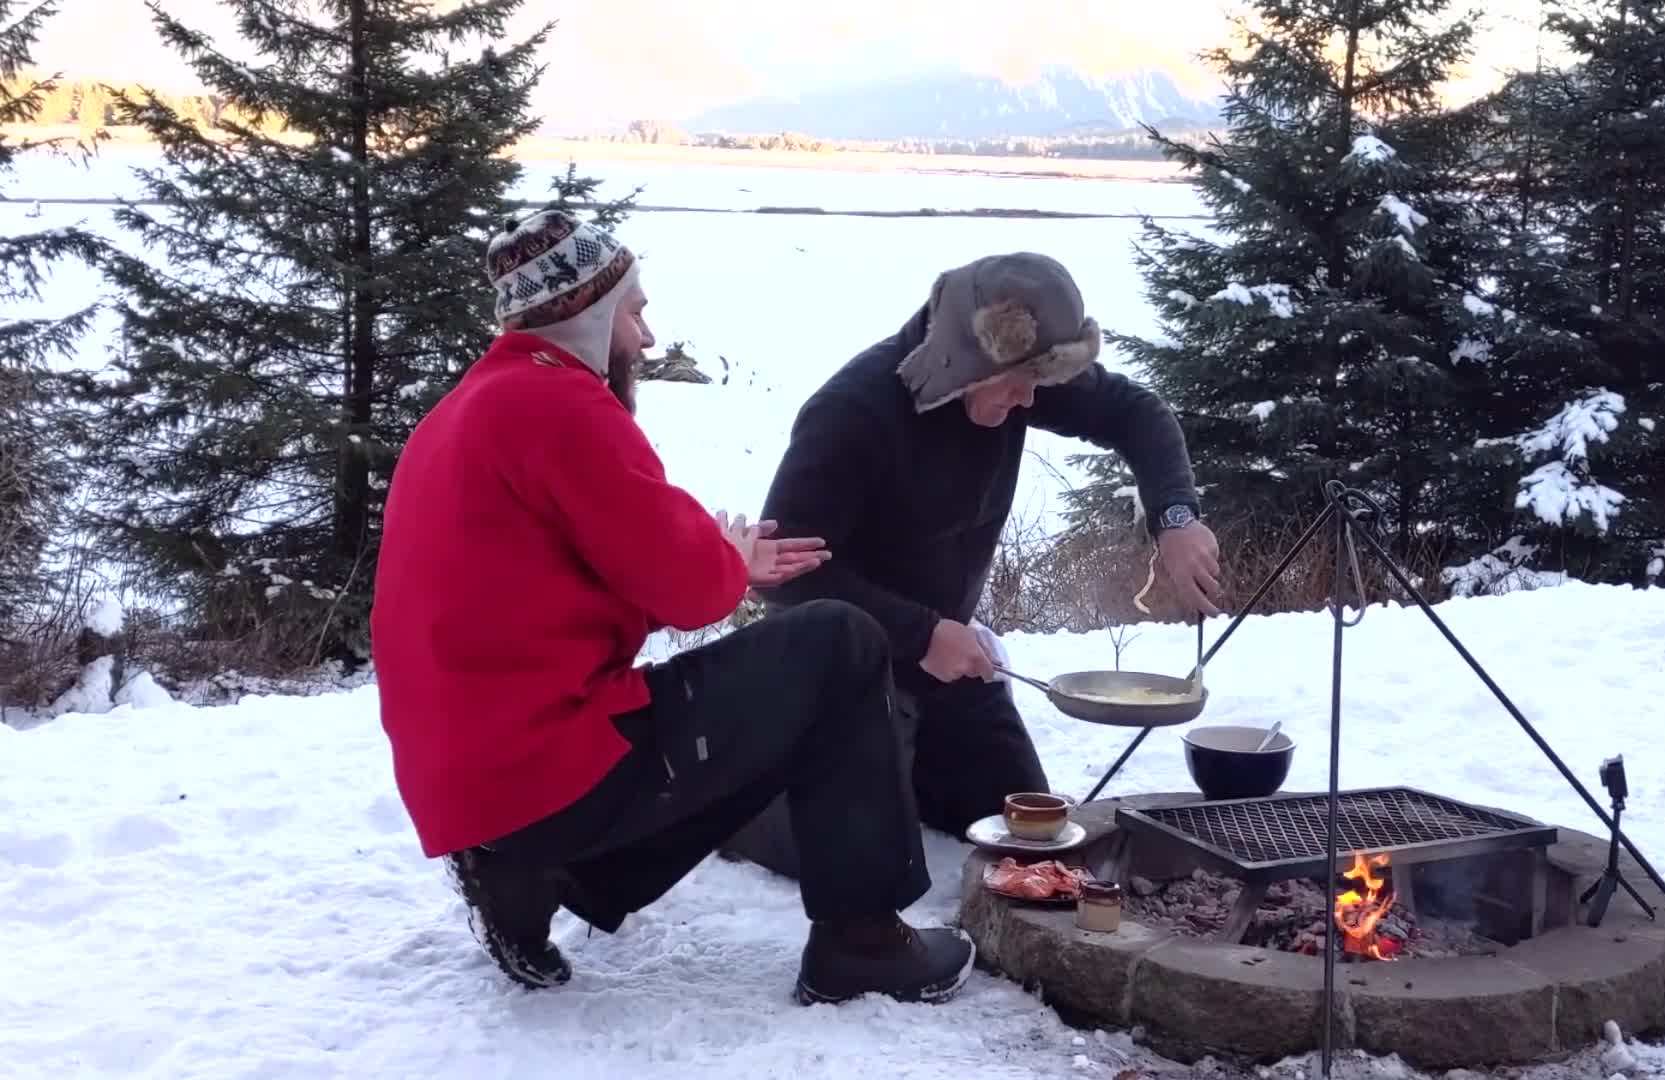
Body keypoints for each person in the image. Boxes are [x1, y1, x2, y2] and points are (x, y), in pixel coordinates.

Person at [370, 210, 974, 1005]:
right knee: (841, 644)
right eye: (634, 312)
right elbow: (689, 592)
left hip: (474, 787)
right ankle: (861, 941)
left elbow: (553, 591)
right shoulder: (562, 407)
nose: (647, 337)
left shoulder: (467, 411)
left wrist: (723, 564)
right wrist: (724, 563)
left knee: (758, 696)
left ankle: (532, 872)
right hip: (539, 769)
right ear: (588, 317)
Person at [725, 251, 1222, 877]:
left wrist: (1174, 517)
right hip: (843, 666)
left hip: (949, 663)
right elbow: (789, 576)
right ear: (963, 360)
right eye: (1017, 384)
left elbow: (1136, 414)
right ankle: (744, 798)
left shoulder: (1018, 378)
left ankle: (904, 772)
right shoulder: (852, 412)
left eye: (1040, 384)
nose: (1030, 400)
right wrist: (920, 634)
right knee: (855, 859)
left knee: (1028, 828)